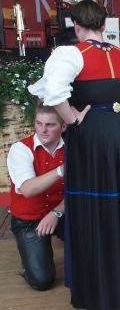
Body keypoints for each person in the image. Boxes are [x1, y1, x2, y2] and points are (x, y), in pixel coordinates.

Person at [27, 0, 120, 310]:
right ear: (104, 26)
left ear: (76, 26)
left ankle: (105, 295)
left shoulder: (71, 54)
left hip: (93, 135)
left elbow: (53, 92)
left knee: (97, 209)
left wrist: (72, 120)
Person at [7, 106, 66, 291]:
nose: (43, 130)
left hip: (62, 211)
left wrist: (57, 212)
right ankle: (30, 265)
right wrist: (61, 170)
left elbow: (81, 188)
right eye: (39, 124)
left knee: (91, 254)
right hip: (29, 219)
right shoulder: (20, 149)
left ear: (63, 126)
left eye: (50, 125)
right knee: (42, 280)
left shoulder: (72, 147)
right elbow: (28, 189)